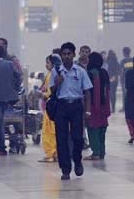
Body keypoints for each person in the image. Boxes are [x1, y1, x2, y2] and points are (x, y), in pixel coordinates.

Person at [51, 42, 93, 180]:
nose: (66, 56)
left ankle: (77, 160)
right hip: (61, 106)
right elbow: (51, 91)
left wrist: (87, 111)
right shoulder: (56, 71)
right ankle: (65, 169)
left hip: (76, 106)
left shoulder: (80, 71)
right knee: (61, 139)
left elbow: (87, 92)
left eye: (69, 54)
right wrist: (57, 82)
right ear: (61, 56)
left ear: (74, 54)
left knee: (77, 138)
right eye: (64, 54)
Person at [85, 52, 111, 160]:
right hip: (104, 105)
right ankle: (101, 151)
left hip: (93, 106)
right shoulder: (104, 72)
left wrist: (90, 108)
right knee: (102, 129)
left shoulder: (91, 73)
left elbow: (91, 91)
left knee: (93, 129)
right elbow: (108, 90)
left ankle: (95, 152)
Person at [38, 54, 59, 162]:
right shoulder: (51, 74)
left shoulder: (52, 74)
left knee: (48, 130)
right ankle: (55, 152)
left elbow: (50, 90)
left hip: (50, 106)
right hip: (53, 106)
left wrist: (43, 95)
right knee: (53, 129)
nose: (46, 65)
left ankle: (50, 153)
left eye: (48, 63)